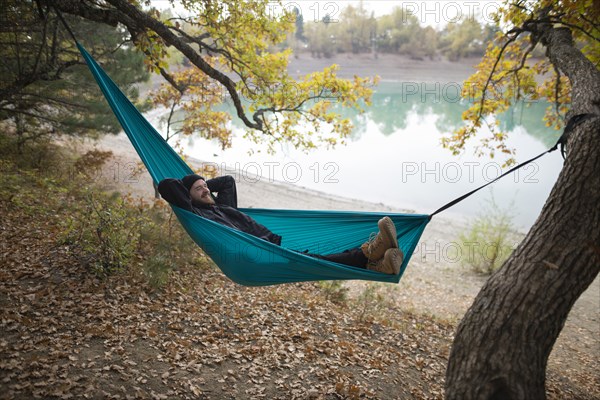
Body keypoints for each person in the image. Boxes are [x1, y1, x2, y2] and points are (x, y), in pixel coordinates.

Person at [157, 174, 404, 274]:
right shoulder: (198, 216)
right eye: (198, 189)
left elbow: (228, 182)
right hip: (254, 254)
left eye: (205, 187)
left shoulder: (223, 207)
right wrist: (189, 188)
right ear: (187, 196)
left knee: (316, 258)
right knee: (316, 261)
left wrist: (201, 183)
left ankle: (377, 264)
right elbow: (167, 185)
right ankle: (369, 252)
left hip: (265, 246)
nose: (206, 190)